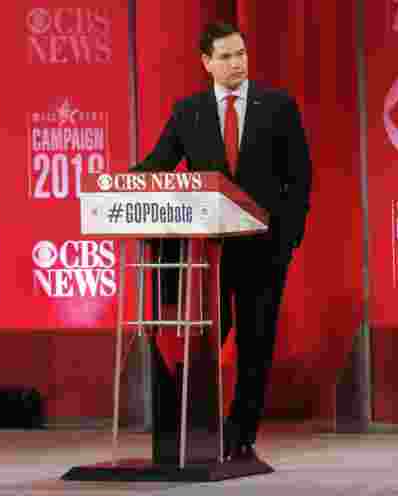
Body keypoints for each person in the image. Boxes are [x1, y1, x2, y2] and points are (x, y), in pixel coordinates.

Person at [131, 21, 312, 461]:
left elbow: (299, 179)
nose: (237, 64)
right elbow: (159, 163)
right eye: (227, 56)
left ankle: (242, 432)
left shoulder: (278, 106)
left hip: (264, 248)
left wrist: (286, 242)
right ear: (207, 63)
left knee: (255, 341)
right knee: (206, 340)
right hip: (207, 252)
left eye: (241, 54)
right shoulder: (188, 112)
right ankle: (197, 427)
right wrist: (119, 185)